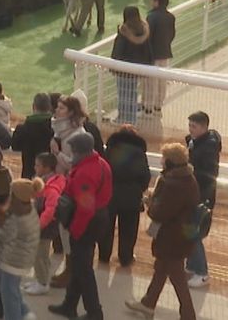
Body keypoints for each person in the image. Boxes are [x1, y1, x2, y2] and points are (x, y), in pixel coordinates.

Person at [125, 142, 200, 320]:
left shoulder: (174, 184)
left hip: (172, 238)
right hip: (180, 236)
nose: (161, 162)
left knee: (177, 278)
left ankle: (188, 315)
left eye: (164, 158)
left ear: (171, 162)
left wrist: (150, 203)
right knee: (160, 269)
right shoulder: (188, 179)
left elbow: (160, 213)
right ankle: (148, 304)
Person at [48, 132, 112, 320]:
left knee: (83, 269)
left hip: (86, 222)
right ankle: (69, 305)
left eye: (73, 150)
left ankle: (94, 312)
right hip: (97, 218)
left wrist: (75, 230)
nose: (71, 153)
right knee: (78, 265)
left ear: (79, 151)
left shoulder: (85, 172)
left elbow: (85, 208)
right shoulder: (100, 163)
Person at [99, 125, 151, 267]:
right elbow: (145, 176)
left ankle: (104, 256)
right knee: (129, 229)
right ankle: (126, 257)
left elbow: (102, 171)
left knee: (106, 227)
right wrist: (139, 189)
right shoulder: (140, 152)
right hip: (131, 196)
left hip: (110, 194)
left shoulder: (110, 149)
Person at [0, 178, 45, 320]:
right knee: (7, 287)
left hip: (12, 262)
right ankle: (25, 313)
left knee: (8, 295)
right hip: (21, 259)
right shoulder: (29, 208)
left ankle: (15, 316)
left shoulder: (18, 219)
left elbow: (1, 237)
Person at [185, 111, 221, 288]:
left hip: (202, 197)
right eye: (190, 125)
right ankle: (192, 266)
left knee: (194, 234)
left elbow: (204, 174)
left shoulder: (207, 148)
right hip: (198, 195)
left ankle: (202, 272)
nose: (190, 129)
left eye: (194, 126)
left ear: (204, 127)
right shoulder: (198, 142)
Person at [28, 152, 66, 296]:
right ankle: (40, 279)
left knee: (40, 255)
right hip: (41, 225)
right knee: (40, 255)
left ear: (47, 168)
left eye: (38, 165)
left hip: (44, 227)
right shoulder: (43, 181)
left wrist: (38, 225)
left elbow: (50, 210)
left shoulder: (51, 187)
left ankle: (42, 283)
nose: (35, 167)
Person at [110, 6, 153, 125]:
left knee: (123, 94)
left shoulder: (124, 31)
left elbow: (118, 50)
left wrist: (113, 65)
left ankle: (123, 118)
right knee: (132, 94)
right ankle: (132, 120)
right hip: (136, 69)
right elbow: (148, 50)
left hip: (123, 69)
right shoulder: (143, 29)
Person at [11, 93, 55, 179]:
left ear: (33, 106)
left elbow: (15, 146)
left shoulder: (22, 129)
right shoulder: (55, 128)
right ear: (50, 107)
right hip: (51, 177)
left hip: (28, 175)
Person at [145, 0, 176, 114]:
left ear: (156, 1)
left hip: (152, 54)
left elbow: (148, 35)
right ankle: (158, 104)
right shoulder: (170, 17)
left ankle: (149, 106)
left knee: (150, 81)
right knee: (162, 80)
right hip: (165, 51)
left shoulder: (151, 16)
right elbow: (172, 34)